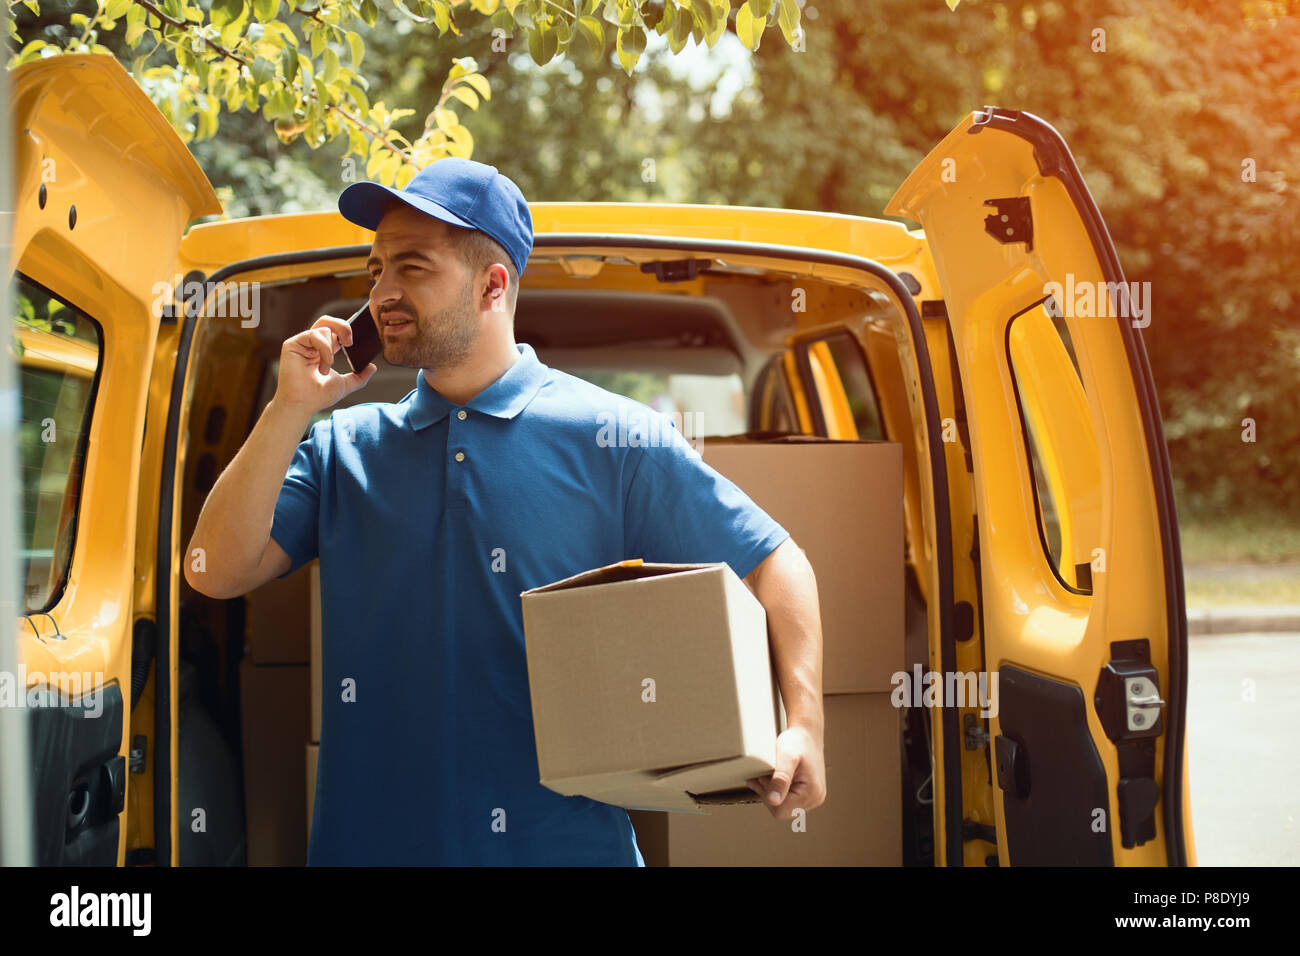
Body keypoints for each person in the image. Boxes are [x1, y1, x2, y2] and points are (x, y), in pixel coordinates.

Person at [185, 157, 826, 865]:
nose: (382, 293)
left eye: (413, 268)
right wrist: (287, 410)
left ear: (494, 285)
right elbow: (214, 571)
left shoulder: (610, 436)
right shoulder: (345, 444)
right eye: (375, 271)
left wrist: (804, 726)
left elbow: (776, 559)